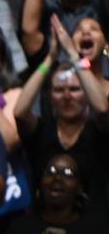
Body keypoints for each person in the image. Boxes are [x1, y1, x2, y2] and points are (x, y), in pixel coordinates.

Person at [14, 24, 109, 206]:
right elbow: (19, 112)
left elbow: (103, 108)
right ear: (50, 96)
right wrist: (49, 59)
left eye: (74, 89)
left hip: (94, 224)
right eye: (59, 90)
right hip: (44, 220)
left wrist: (74, 56)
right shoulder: (41, 130)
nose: (67, 96)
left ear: (86, 94)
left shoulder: (98, 129)